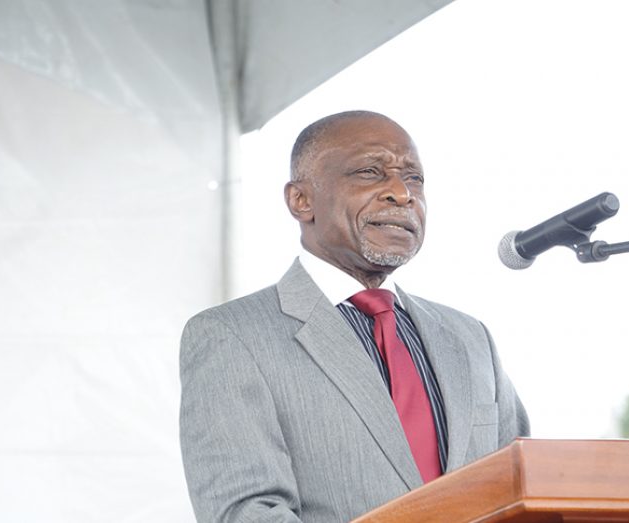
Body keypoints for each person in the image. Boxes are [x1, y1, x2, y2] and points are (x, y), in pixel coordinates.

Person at [179, 110, 529, 522]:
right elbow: (246, 513)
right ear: (301, 199)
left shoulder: (470, 339)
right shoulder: (231, 336)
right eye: (370, 172)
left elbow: (522, 489)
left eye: (414, 178)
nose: (402, 192)